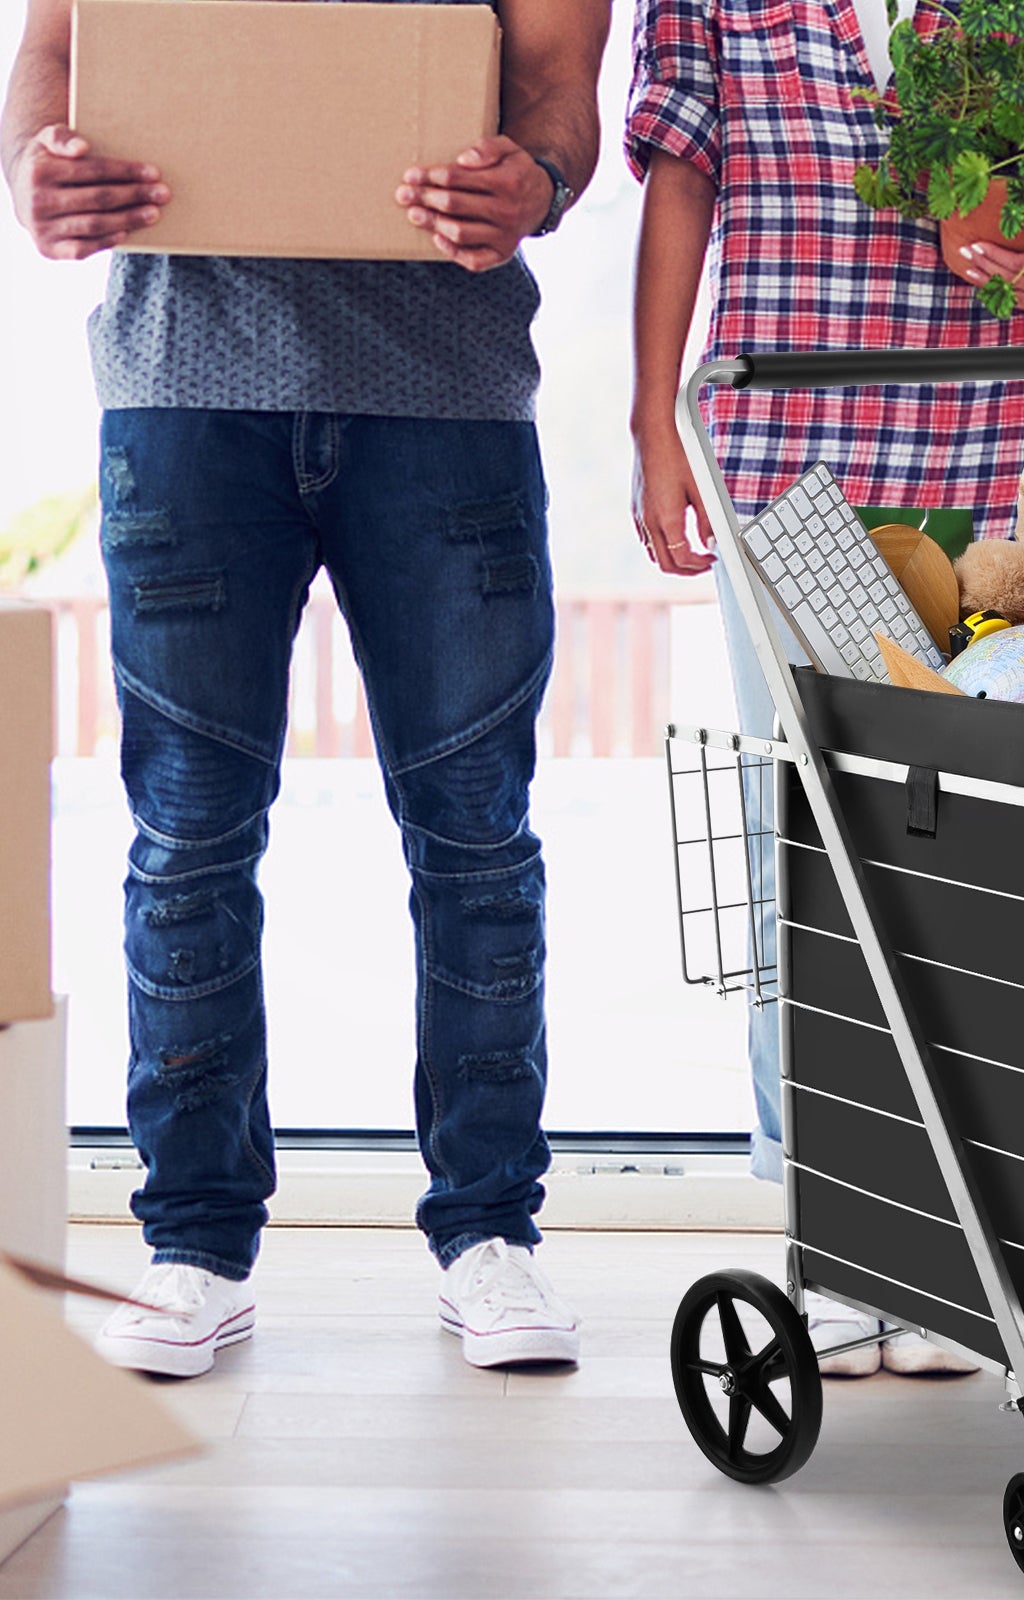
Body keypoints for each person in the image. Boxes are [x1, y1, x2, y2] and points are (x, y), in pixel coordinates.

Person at [1, 0, 609, 1378]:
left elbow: (559, 90)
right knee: (189, 836)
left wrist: (542, 180)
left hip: (444, 398)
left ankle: (489, 1235)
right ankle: (195, 1246)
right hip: (184, 391)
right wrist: (35, 156)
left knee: (475, 835)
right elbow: (55, 38)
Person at [627, 0, 1024, 1374]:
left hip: (1003, 453)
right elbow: (682, 174)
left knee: (982, 843)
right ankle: (837, 1224)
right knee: (812, 835)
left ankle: (967, 1241)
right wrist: (650, 415)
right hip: (787, 443)